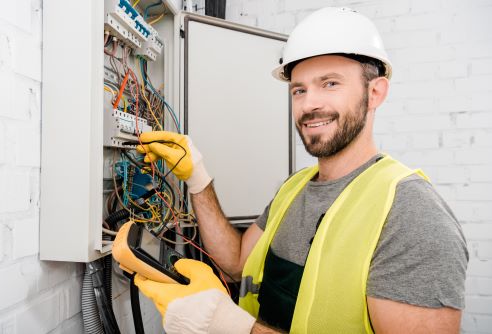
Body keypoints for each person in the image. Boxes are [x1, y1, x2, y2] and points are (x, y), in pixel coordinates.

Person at [134, 7, 468, 334]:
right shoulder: (294, 188)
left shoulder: (411, 213)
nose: (309, 104)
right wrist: (198, 179)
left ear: (375, 92)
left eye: (330, 84)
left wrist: (232, 327)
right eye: (299, 89)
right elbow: (238, 261)